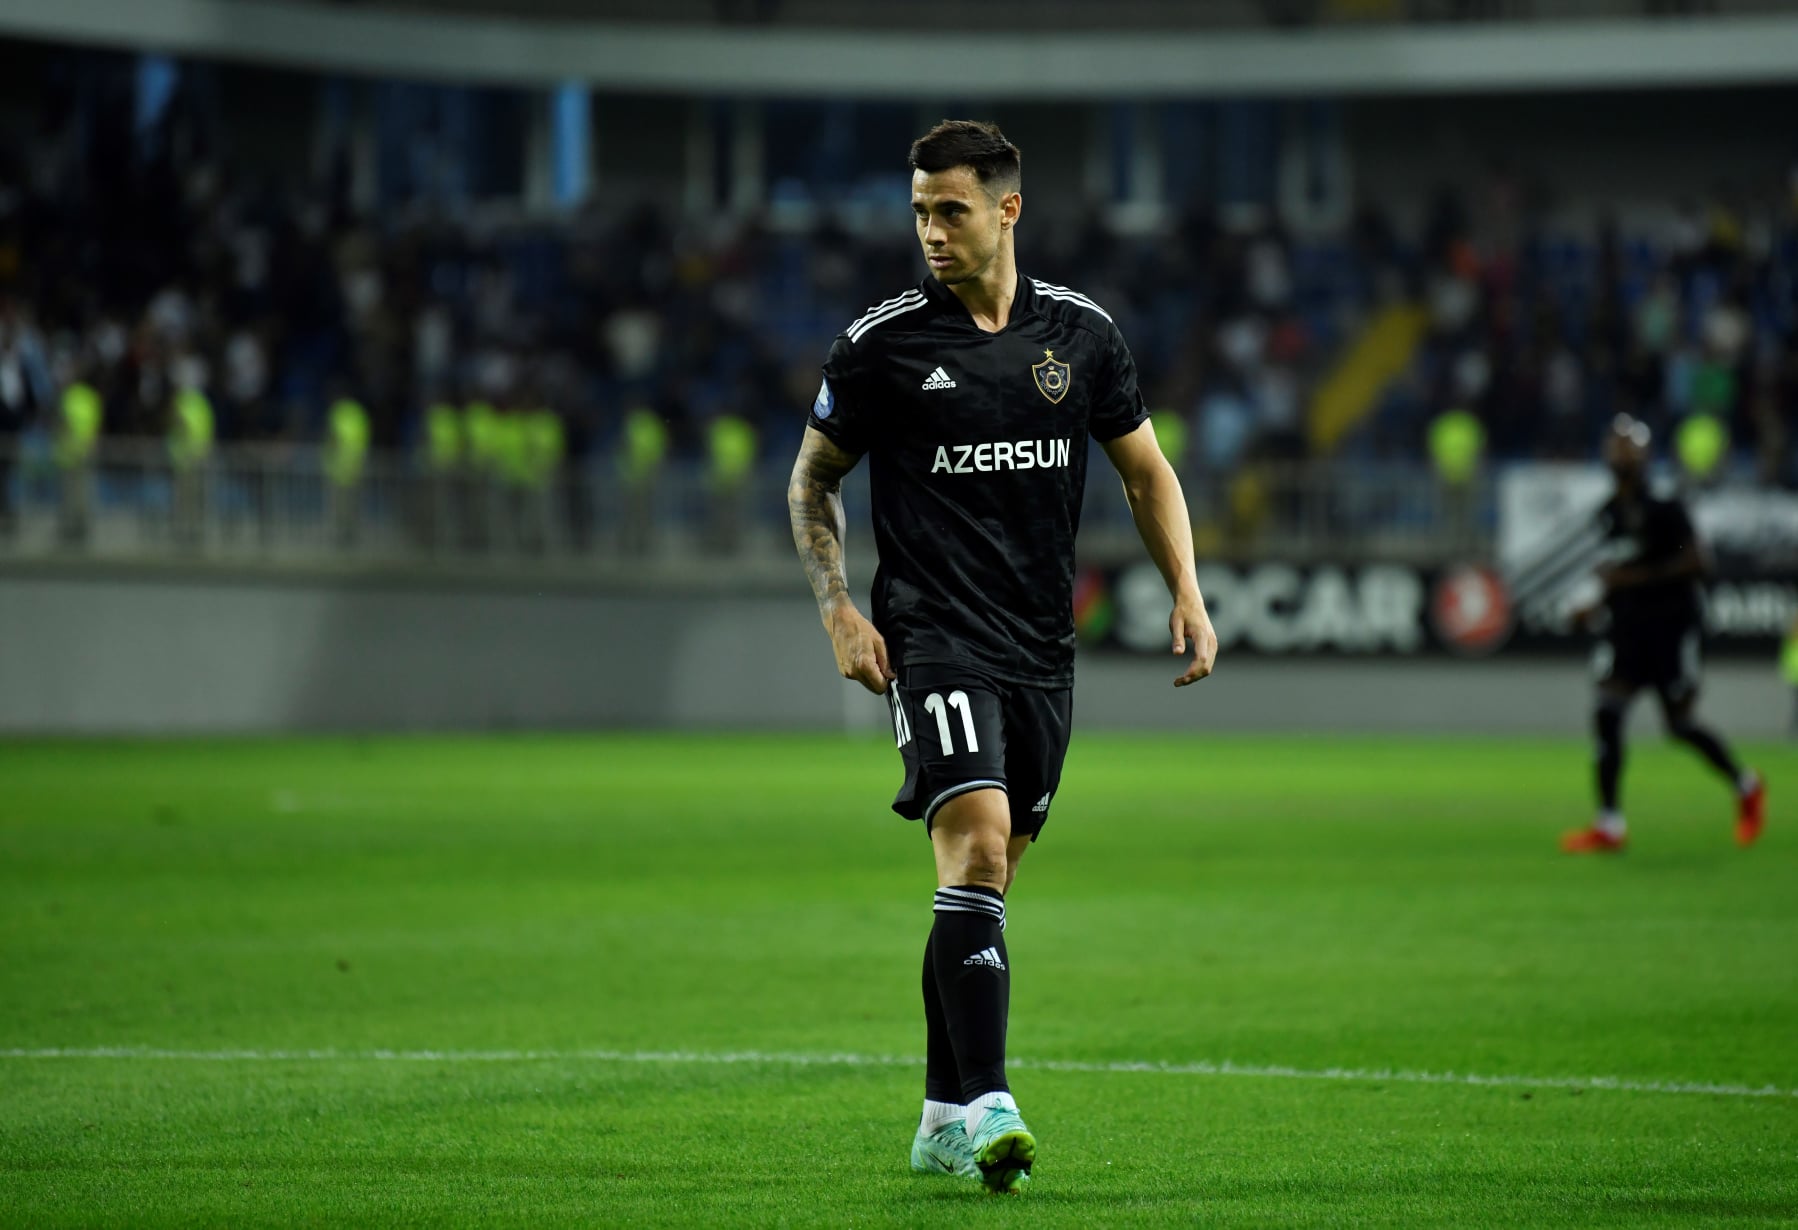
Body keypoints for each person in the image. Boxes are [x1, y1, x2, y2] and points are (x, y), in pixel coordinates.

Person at [785, 120, 1217, 1195]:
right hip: (934, 639)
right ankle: (990, 1104)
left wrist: (1187, 587)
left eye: (952, 210)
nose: (931, 231)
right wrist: (838, 609)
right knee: (974, 851)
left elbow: (1146, 472)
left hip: (1040, 652)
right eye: (919, 212)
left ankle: (939, 1116)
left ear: (1008, 209)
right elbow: (812, 478)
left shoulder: (1080, 336)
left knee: (985, 882)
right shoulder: (882, 345)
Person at [1562, 414, 1765, 853]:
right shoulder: (1609, 515)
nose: (1620, 454)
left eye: (1628, 447)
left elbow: (1697, 562)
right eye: (1615, 445)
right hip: (1627, 632)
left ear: (1644, 456)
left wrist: (1632, 579)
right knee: (1607, 712)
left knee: (1680, 725)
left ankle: (1746, 785)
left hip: (1671, 628)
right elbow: (1614, 573)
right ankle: (1609, 823)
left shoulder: (1665, 509)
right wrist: (1593, 606)